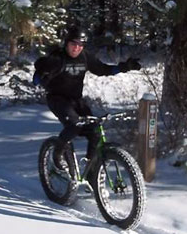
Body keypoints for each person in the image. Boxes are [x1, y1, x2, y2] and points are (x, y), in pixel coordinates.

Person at [33, 26, 141, 173]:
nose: (76, 48)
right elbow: (38, 74)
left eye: (80, 45)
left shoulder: (85, 57)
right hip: (58, 99)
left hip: (76, 100)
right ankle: (57, 155)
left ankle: (91, 172)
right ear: (66, 43)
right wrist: (42, 76)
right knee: (74, 125)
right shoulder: (57, 58)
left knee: (95, 130)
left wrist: (124, 67)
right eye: (73, 44)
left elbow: (103, 69)